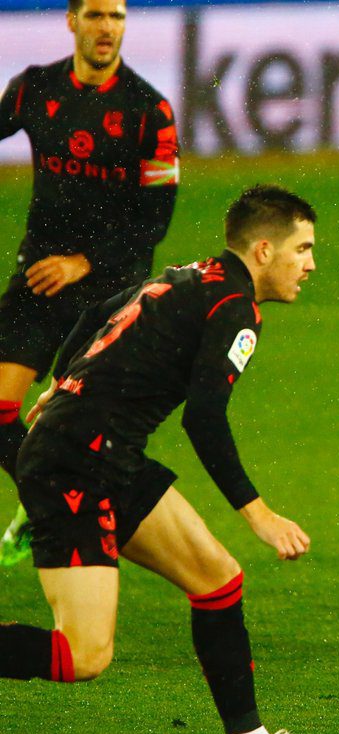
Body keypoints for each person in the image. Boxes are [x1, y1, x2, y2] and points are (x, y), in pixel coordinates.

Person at [0, 185, 339, 734]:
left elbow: (97, 311)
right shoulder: (236, 309)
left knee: (216, 579)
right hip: (73, 464)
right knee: (83, 656)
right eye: (303, 248)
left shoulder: (192, 275)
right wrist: (256, 513)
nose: (310, 264)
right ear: (264, 250)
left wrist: (65, 382)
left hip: (105, 454)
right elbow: (204, 418)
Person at [0, 0, 180, 565]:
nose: (108, 28)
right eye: (97, 15)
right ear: (72, 21)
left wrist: (83, 260)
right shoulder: (34, 89)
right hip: (39, 274)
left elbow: (155, 221)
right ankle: (47, 498)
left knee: (79, 424)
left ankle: (81, 511)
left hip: (110, 290)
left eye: (118, 16)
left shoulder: (151, 111)